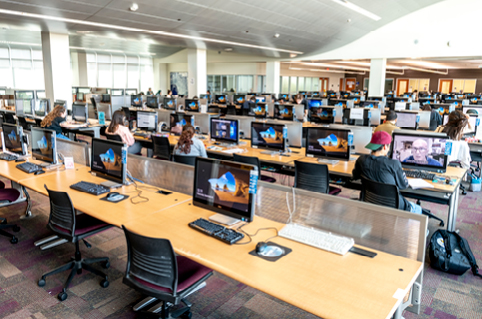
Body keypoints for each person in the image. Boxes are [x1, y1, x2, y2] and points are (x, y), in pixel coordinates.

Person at [352, 131, 422, 214]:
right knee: (418, 209)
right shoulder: (394, 164)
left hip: (370, 203)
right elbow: (404, 185)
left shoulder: (361, 160)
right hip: (394, 207)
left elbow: (355, 176)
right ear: (385, 147)